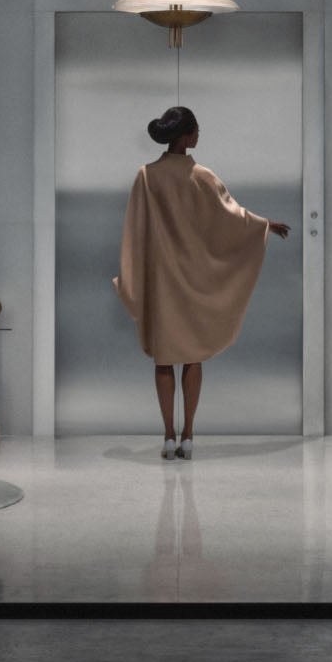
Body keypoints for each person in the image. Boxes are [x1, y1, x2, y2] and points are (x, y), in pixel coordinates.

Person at [113, 105, 291, 459]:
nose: (199, 135)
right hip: (193, 278)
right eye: (196, 130)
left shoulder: (146, 176)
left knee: (164, 358)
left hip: (162, 280)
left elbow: (136, 228)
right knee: (192, 357)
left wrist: (135, 273)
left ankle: (168, 436)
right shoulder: (202, 176)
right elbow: (230, 217)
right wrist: (263, 225)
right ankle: (189, 436)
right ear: (186, 135)